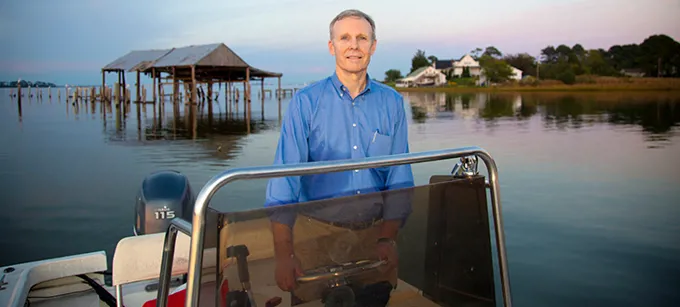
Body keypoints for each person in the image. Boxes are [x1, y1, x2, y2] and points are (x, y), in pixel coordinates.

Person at [264, 9, 414, 305]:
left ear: (373, 45)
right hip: (315, 236)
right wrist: (284, 254)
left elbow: (399, 176)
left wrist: (388, 237)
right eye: (345, 38)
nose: (354, 46)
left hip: (374, 237)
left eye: (362, 38)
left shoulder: (393, 103)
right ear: (332, 46)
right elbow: (285, 180)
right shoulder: (305, 102)